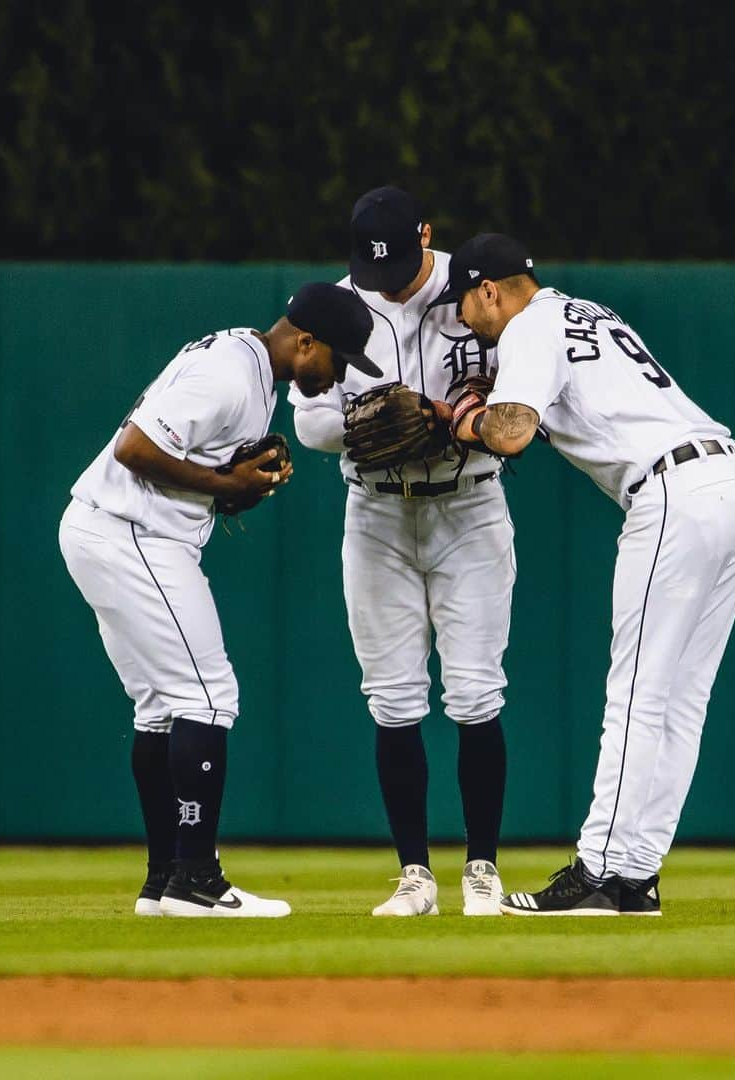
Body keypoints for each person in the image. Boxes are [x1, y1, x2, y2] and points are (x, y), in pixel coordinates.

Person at [438, 233, 735, 916]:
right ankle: (635, 873)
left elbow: (509, 432)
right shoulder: (587, 312)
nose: (464, 319)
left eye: (466, 304)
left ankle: (599, 870)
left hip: (674, 494)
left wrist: (462, 421)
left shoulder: (530, 326)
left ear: (490, 289)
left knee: (636, 692)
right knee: (681, 699)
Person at [59, 283, 378, 917]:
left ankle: (162, 881)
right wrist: (220, 481)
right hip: (133, 533)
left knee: (159, 708)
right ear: (305, 340)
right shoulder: (232, 375)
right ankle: (197, 879)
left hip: (109, 530)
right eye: (337, 360)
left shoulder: (247, 361)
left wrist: (230, 486)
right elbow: (135, 448)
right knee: (208, 697)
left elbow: (176, 452)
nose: (338, 375)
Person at [290, 187, 517, 916]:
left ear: (427, 233)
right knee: (392, 700)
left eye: (395, 258)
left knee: (477, 693)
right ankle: (415, 875)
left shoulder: (475, 288)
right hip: (378, 515)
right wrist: (376, 416)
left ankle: (482, 868)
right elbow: (310, 422)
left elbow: (534, 387)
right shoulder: (338, 301)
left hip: (471, 504)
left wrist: (465, 416)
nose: (381, 276)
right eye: (370, 263)